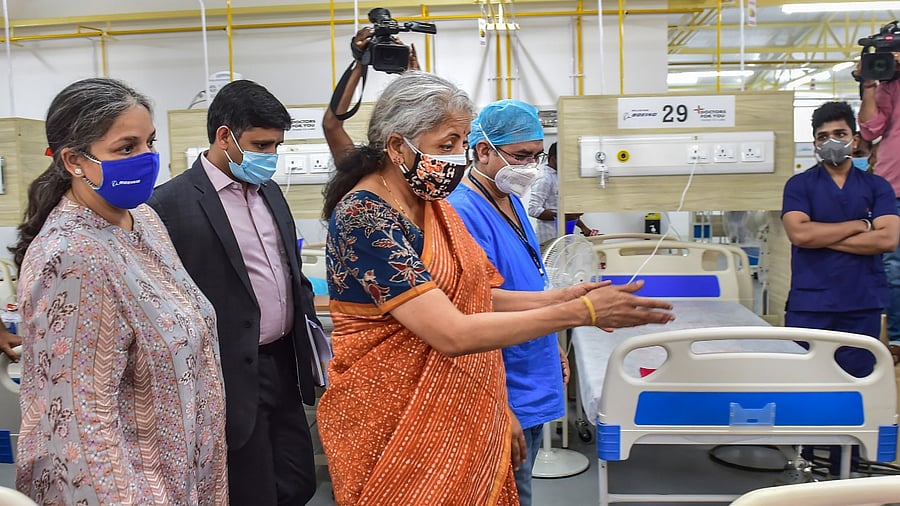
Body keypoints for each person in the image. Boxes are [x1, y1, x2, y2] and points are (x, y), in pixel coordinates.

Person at [318, 71, 674, 505]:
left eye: (461, 143)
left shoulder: (430, 207)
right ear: (396, 147)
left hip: (458, 400)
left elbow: (473, 293)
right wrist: (582, 315)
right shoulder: (365, 218)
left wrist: (561, 298)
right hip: (394, 415)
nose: (456, 158)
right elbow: (451, 332)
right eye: (445, 144)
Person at [12, 78, 227, 504]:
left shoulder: (142, 220)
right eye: (126, 148)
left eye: (149, 142)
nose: (147, 159)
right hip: (129, 488)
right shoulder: (72, 255)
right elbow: (78, 423)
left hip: (184, 473)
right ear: (74, 160)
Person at [148, 80, 320, 505]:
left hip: (283, 362)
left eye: (276, 146)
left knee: (298, 481)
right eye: (261, 145)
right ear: (224, 136)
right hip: (227, 373)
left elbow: (290, 273)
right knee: (253, 488)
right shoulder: (168, 206)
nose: (271, 157)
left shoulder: (271, 193)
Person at [447, 101, 568, 505]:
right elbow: (475, 302)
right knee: (509, 492)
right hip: (502, 376)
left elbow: (529, 277)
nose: (531, 166)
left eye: (536, 155)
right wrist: (499, 403)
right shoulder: (461, 211)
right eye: (520, 156)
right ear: (483, 150)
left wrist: (555, 343)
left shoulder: (512, 198)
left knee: (519, 482)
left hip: (531, 361)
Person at [782, 100, 900, 475]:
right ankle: (809, 462)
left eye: (839, 134)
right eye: (823, 136)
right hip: (810, 305)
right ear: (814, 144)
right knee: (810, 387)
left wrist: (821, 236)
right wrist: (860, 225)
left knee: (854, 387)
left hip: (859, 303)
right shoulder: (800, 185)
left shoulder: (877, 186)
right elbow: (798, 232)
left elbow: (887, 240)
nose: (831, 142)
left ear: (854, 138)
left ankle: (846, 467)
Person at [323, 26, 419, 165]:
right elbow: (331, 124)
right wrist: (360, 62)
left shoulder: (419, 165)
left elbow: (331, 125)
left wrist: (414, 75)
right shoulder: (358, 168)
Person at [857, 54, 900, 343]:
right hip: (893, 185)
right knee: (892, 268)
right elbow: (870, 129)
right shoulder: (888, 82)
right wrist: (870, 83)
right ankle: (895, 339)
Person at [527, 141, 597, 249]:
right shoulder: (544, 178)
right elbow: (533, 210)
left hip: (564, 237)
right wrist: (563, 217)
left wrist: (584, 228)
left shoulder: (559, 177)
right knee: (553, 264)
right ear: (554, 159)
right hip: (548, 238)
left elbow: (561, 209)